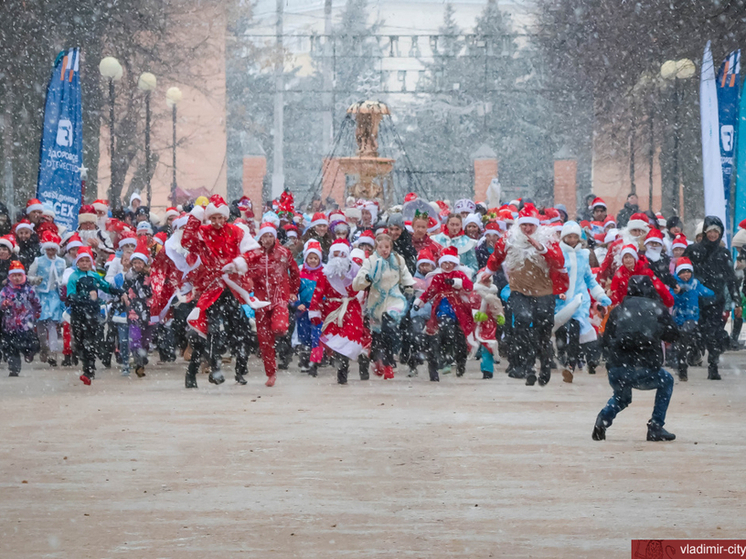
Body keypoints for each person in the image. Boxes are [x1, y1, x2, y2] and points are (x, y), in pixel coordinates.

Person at [487, 203, 568, 386]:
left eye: (531, 225)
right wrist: (488, 271)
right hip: (520, 290)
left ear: (537, 225)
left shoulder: (547, 239)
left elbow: (558, 261)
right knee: (522, 321)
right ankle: (527, 366)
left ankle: (545, 364)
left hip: (544, 292)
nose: (528, 229)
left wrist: (541, 248)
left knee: (543, 329)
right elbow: (496, 256)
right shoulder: (511, 238)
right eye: (524, 225)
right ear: (519, 225)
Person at [593, 275, 679, 442]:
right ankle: (655, 426)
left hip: (618, 368)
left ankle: (603, 419)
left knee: (622, 397)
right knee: (666, 380)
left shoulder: (618, 310)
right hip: (644, 367)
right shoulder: (657, 308)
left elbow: (605, 340)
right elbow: (674, 335)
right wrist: (656, 332)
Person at [244, 221, 301, 387]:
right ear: (260, 238)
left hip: (280, 297)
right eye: (264, 236)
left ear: (275, 237)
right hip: (261, 300)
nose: (267, 239)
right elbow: (247, 274)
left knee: (279, 327)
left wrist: (293, 291)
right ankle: (271, 372)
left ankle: (281, 331)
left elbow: (295, 272)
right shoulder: (254, 254)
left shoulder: (283, 253)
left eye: (270, 236)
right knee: (264, 339)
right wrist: (248, 289)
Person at [683, 216, 740, 380]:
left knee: (714, 333)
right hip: (696, 300)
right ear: (704, 232)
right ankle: (694, 353)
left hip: (716, 300)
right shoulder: (693, 250)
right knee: (697, 331)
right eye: (710, 231)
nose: (713, 234)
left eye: (716, 231)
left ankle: (713, 366)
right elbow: (683, 271)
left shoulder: (724, 253)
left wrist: (737, 301)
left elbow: (731, 278)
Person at [553, 221, 611, 382]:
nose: (572, 240)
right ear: (564, 237)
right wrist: (557, 293)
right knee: (562, 331)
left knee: (575, 328)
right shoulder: (558, 254)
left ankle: (571, 364)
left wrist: (600, 295)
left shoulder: (584, 255)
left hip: (579, 300)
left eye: (575, 237)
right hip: (562, 300)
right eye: (569, 236)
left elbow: (589, 279)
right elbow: (553, 277)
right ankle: (562, 353)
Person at [309, 239, 371, 384]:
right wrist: (314, 310)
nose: (338, 259)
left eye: (341, 255)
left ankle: (344, 367)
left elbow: (362, 288)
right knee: (335, 340)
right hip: (332, 310)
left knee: (349, 338)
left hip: (351, 308)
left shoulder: (356, 272)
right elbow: (317, 294)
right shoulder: (325, 274)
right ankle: (340, 364)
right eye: (334, 255)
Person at [353, 232, 415, 379]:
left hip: (394, 299)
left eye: (387, 247)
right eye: (381, 247)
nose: (384, 250)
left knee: (388, 326)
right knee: (377, 335)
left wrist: (408, 286)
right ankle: (377, 360)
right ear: (376, 248)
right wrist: (367, 278)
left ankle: (389, 362)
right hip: (376, 302)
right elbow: (357, 283)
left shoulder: (398, 260)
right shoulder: (370, 262)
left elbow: (405, 275)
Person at [413, 246, 475, 381]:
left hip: (458, 307)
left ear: (454, 263)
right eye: (444, 263)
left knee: (460, 339)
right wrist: (420, 302)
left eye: (450, 263)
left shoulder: (459, 275)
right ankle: (440, 360)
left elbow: (469, 286)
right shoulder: (438, 277)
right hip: (443, 306)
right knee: (441, 330)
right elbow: (430, 292)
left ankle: (460, 361)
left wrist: (456, 283)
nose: (447, 265)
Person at [67, 247, 123, 385]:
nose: (85, 263)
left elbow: (106, 286)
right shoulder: (74, 277)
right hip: (78, 314)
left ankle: (89, 369)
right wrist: (87, 299)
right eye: (82, 261)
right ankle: (85, 362)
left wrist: (120, 292)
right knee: (80, 342)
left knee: (91, 341)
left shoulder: (94, 276)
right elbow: (70, 297)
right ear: (77, 263)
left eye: (87, 261)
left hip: (93, 314)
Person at [671, 257, 714, 381]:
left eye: (688, 271)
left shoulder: (695, 284)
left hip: (692, 317)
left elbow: (708, 293)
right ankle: (681, 367)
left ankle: (690, 356)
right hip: (677, 317)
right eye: (682, 272)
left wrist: (714, 295)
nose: (686, 275)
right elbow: (670, 296)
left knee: (685, 336)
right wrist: (678, 292)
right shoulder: (674, 284)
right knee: (680, 345)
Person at [27, 230, 66, 367]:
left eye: (53, 249)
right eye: (48, 248)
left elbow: (64, 276)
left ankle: (53, 353)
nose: (51, 251)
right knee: (40, 324)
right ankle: (44, 346)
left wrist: (62, 283)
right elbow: (29, 276)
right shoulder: (38, 261)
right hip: (40, 295)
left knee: (52, 324)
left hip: (54, 296)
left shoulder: (61, 262)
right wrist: (35, 280)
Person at [0, 261, 41, 376]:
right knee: (12, 348)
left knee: (27, 343)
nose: (17, 278)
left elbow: (36, 301)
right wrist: (3, 304)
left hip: (25, 323)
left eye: (19, 275)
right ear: (10, 277)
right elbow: (0, 301)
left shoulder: (29, 290)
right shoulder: (6, 290)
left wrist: (37, 312)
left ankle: (29, 352)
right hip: (10, 324)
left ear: (23, 276)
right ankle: (14, 368)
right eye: (14, 276)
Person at [294, 240, 324, 375]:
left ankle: (315, 362)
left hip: (318, 309)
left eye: (315, 258)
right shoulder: (300, 272)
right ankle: (305, 360)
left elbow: (327, 291)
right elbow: (293, 291)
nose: (312, 260)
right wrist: (296, 304)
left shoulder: (324, 272)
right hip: (303, 310)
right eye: (310, 258)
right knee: (304, 336)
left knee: (316, 336)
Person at [124, 238, 153, 378]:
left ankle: (143, 356)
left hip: (148, 310)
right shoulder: (128, 276)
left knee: (146, 338)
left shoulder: (150, 277)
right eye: (134, 262)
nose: (137, 265)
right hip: (134, 310)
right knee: (135, 337)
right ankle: (138, 361)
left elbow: (151, 292)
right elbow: (125, 291)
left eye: (139, 262)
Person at [609, 245, 674, 308]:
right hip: (627, 307)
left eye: (630, 257)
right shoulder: (619, 274)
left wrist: (668, 300)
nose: (628, 260)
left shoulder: (645, 272)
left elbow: (659, 286)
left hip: (646, 305)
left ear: (635, 258)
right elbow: (615, 293)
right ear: (622, 260)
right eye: (626, 257)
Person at [472, 268, 505, 379]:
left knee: (488, 344)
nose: (486, 283)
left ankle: (487, 369)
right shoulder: (475, 293)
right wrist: (477, 315)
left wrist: (500, 316)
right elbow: (471, 307)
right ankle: (485, 365)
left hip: (490, 323)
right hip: (477, 324)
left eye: (488, 281)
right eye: (484, 281)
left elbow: (497, 307)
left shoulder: (493, 293)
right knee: (480, 345)